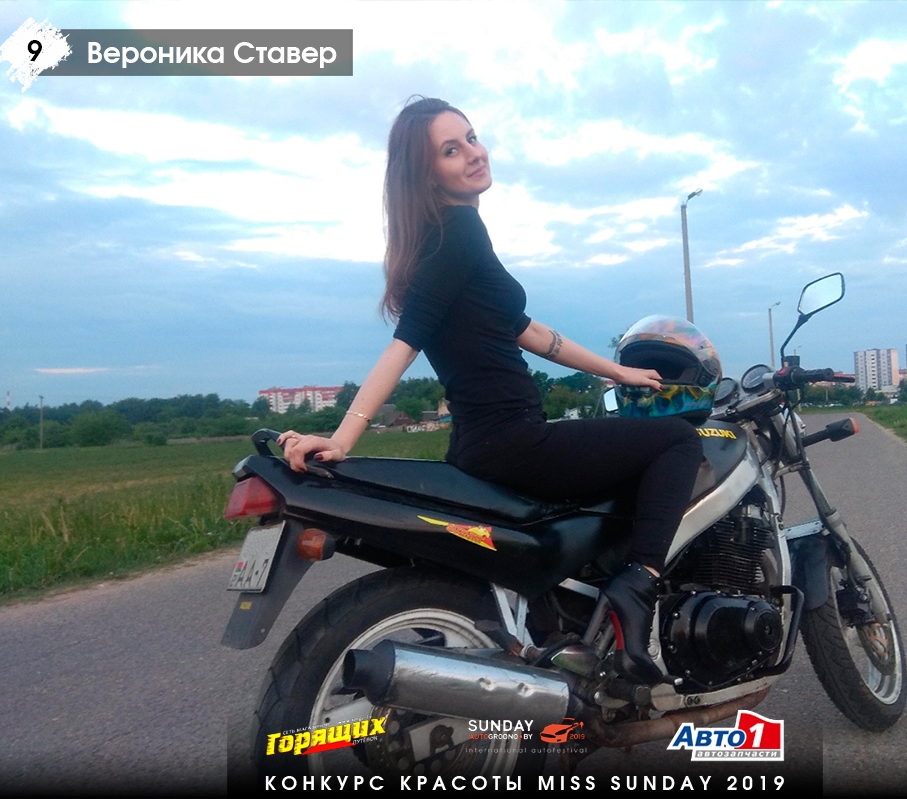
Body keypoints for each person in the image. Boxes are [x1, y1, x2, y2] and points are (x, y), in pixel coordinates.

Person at [277, 96, 705, 684]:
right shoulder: (457, 232)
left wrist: (618, 370)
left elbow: (531, 333)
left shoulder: (446, 240)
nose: (473, 153)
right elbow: (405, 344)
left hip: (480, 445)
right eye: (451, 150)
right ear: (427, 173)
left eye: (472, 138)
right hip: (515, 442)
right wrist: (344, 437)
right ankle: (640, 587)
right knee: (677, 441)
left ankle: (565, 630)